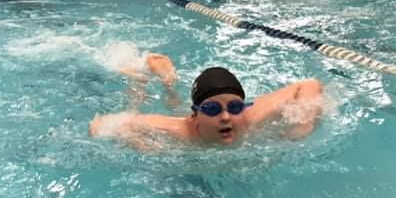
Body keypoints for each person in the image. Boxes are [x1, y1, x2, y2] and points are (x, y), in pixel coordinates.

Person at [89, 63, 325, 149]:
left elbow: (309, 85)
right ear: (196, 115)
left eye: (235, 108)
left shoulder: (251, 117)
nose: (226, 117)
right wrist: (136, 142)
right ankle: (152, 79)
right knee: (165, 103)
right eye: (212, 109)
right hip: (181, 121)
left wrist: (303, 125)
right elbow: (99, 126)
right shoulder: (178, 130)